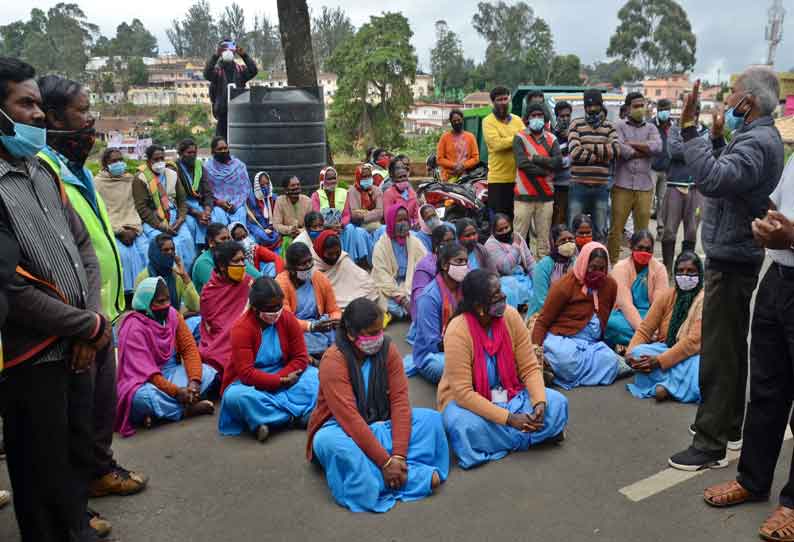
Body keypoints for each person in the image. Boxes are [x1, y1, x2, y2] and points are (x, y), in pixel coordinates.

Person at [0, 57, 111, 541]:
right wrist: (83, 326)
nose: (38, 116)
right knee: (41, 476)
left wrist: (90, 322)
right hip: (31, 357)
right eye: (25, 104)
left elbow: (82, 246)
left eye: (40, 105)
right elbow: (10, 287)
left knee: (73, 460)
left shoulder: (40, 173)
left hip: (77, 346)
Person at [38, 74, 148, 514]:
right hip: (78, 318)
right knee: (74, 414)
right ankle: (74, 502)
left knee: (101, 403)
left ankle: (100, 471)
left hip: (103, 312)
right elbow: (52, 255)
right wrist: (84, 321)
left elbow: (91, 241)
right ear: (52, 118)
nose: (91, 121)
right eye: (82, 111)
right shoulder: (43, 172)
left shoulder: (77, 171)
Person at [668, 68, 785, 470]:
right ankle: (729, 425)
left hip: (733, 258)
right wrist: (716, 138)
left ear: (749, 102)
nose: (729, 100)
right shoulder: (754, 138)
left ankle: (710, 442)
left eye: (734, 94)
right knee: (732, 347)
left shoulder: (757, 142)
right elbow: (730, 173)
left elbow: (715, 179)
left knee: (718, 352)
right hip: (735, 252)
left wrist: (689, 129)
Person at [702, 155, 794, 539]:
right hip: (779, 277)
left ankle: (792, 504)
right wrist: (768, 225)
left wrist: (791, 237)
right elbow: (779, 205)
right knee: (767, 390)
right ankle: (753, 480)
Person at [308, 297, 448, 512]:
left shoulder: (387, 349)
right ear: (351, 333)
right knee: (333, 444)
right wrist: (385, 462)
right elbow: (350, 419)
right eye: (371, 334)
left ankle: (393, 469)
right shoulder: (333, 361)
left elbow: (400, 402)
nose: (377, 338)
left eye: (379, 331)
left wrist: (398, 455)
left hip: (380, 422)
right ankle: (404, 477)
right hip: (341, 429)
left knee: (431, 420)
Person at [438, 270, 568, 469]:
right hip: (471, 405)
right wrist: (509, 419)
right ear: (479, 307)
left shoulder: (511, 316)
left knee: (557, 403)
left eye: (501, 291)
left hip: (512, 394)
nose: (503, 297)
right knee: (461, 426)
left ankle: (504, 440)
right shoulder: (457, 331)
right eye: (495, 296)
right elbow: (463, 394)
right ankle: (532, 436)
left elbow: (530, 367)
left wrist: (539, 403)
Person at [219, 277, 319, 442]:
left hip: (287, 374)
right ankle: (294, 417)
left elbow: (300, 357)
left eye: (279, 306)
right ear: (255, 308)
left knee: (315, 376)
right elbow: (246, 374)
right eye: (270, 308)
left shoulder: (286, 318)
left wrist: (285, 377)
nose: (276, 311)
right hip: (251, 384)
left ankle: (268, 419)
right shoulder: (241, 329)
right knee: (235, 397)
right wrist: (279, 381)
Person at [115, 277, 217, 437]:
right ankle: (185, 410)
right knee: (141, 398)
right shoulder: (133, 328)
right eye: (160, 301)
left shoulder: (172, 315)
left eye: (167, 300)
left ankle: (158, 414)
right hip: (143, 381)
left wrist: (194, 382)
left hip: (170, 373)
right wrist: (177, 392)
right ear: (146, 303)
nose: (165, 306)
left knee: (208, 373)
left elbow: (189, 349)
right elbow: (148, 373)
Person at [532, 242, 627, 389]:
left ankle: (558, 373)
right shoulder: (563, 286)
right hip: (563, 339)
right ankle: (556, 369)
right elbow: (543, 321)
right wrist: (535, 353)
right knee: (567, 358)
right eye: (593, 268)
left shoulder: (610, 285)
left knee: (610, 360)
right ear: (583, 264)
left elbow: (604, 317)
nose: (597, 272)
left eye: (602, 269)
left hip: (591, 344)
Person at [625, 251, 704, 403]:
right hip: (666, 348)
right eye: (680, 271)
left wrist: (660, 361)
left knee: (700, 366)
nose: (685, 275)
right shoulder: (667, 296)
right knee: (638, 353)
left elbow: (693, 343)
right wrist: (629, 354)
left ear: (699, 274)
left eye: (691, 272)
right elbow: (645, 329)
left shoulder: (704, 300)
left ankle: (666, 386)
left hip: (692, 355)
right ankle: (672, 386)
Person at [608, 92, 662, 263]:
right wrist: (644, 150)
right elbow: (622, 151)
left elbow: (658, 147)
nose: (640, 109)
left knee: (642, 231)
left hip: (645, 187)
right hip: (622, 185)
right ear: (628, 108)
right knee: (616, 228)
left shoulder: (652, 128)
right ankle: (613, 263)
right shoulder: (618, 126)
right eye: (636, 106)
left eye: (642, 105)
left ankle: (639, 263)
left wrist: (632, 145)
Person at [406, 242, 468, 383]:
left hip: (462, 343)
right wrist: (466, 347)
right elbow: (433, 343)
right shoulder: (429, 297)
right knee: (449, 367)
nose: (464, 266)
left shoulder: (464, 287)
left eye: (465, 261)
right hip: (433, 354)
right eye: (459, 261)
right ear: (445, 265)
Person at [660, 100, 709, 274]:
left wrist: (688, 149)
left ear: (697, 112)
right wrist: (695, 149)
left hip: (696, 188)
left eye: (693, 110)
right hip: (675, 186)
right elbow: (673, 151)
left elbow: (707, 152)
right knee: (669, 232)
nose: (689, 113)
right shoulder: (674, 129)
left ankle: (686, 271)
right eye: (686, 110)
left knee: (691, 232)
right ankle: (666, 270)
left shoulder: (705, 130)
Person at [132, 143, 197, 272]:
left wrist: (180, 219)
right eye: (156, 160)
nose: (160, 162)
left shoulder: (172, 174)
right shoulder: (141, 178)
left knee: (187, 241)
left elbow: (182, 200)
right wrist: (162, 226)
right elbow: (142, 209)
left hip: (174, 217)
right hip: (154, 220)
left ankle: (188, 277)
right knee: (172, 246)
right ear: (148, 161)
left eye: (162, 158)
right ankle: (171, 278)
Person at [95, 148, 149, 299]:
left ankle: (148, 292)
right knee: (124, 255)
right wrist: (118, 231)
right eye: (114, 161)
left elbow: (136, 207)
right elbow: (99, 213)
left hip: (134, 226)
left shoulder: (131, 180)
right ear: (105, 164)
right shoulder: (97, 183)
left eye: (120, 160)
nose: (119, 163)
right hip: (112, 229)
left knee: (145, 251)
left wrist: (133, 229)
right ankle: (128, 296)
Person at [567, 89, 618, 243]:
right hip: (578, 186)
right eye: (588, 106)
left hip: (601, 187)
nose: (592, 109)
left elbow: (615, 150)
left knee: (600, 231)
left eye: (595, 105)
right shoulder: (575, 124)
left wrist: (587, 146)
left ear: (601, 105)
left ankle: (598, 261)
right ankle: (573, 262)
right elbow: (575, 152)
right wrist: (602, 154)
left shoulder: (609, 126)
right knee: (573, 229)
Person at [198, 241, 254, 380]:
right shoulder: (209, 292)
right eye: (236, 261)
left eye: (243, 260)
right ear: (222, 266)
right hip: (221, 342)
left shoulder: (248, 283)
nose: (242, 264)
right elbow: (215, 327)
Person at [276, 242, 341, 359]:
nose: (309, 266)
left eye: (310, 261)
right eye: (303, 264)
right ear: (291, 268)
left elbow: (333, 309)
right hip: (297, 329)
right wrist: (311, 326)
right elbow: (286, 320)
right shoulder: (281, 284)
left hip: (321, 325)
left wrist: (335, 320)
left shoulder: (318, 278)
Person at [512, 102, 562, 258]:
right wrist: (546, 171)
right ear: (527, 118)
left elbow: (558, 162)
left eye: (540, 115)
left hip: (546, 197)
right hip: (523, 196)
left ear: (545, 117)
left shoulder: (552, 139)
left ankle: (541, 271)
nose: (536, 118)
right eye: (533, 115)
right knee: (519, 238)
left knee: (543, 239)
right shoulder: (519, 137)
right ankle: (517, 268)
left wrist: (534, 158)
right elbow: (522, 163)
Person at [605, 230, 669, 348]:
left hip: (650, 315)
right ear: (631, 247)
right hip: (623, 315)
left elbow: (660, 304)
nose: (644, 252)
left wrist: (653, 327)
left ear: (653, 250)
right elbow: (625, 305)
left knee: (669, 325)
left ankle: (640, 344)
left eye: (648, 249)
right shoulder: (620, 268)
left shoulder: (659, 268)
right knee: (610, 324)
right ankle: (650, 343)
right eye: (640, 248)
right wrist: (645, 332)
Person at [372, 205, 428, 321]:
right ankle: (402, 312)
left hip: (409, 283)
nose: (404, 223)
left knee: (424, 295)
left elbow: (425, 264)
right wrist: (403, 300)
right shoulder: (381, 246)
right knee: (380, 299)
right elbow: (383, 277)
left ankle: (403, 312)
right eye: (399, 220)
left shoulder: (414, 241)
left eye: (405, 219)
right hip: (389, 287)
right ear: (391, 222)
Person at [311, 166, 372, 263]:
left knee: (351, 228)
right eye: (329, 178)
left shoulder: (343, 193)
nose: (332, 181)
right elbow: (317, 217)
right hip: (324, 228)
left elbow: (347, 215)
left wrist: (341, 225)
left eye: (334, 178)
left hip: (340, 227)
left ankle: (349, 261)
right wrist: (329, 226)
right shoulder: (316, 195)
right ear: (323, 180)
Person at [483, 86, 525, 218]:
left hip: (519, 179)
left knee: (518, 218)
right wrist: (517, 138)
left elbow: (526, 141)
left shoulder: (518, 120)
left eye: (505, 99)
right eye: (499, 100)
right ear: (493, 102)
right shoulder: (488, 121)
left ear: (509, 100)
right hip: (498, 180)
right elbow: (496, 144)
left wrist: (511, 140)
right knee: (500, 220)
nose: (502, 102)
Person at [136, 234, 200, 320]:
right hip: (151, 325)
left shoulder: (176, 274)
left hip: (175, 323)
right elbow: (140, 313)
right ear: (155, 253)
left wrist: (185, 277)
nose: (170, 253)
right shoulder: (144, 277)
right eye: (165, 250)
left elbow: (196, 307)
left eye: (172, 249)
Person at [312, 230, 380, 310]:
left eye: (337, 252)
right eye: (330, 254)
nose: (334, 257)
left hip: (352, 296)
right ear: (320, 251)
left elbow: (362, 277)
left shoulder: (342, 258)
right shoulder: (312, 265)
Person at [203, 39, 258, 138]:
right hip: (223, 114)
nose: (228, 51)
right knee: (221, 141)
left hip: (239, 112)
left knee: (239, 140)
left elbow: (253, 70)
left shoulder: (240, 70)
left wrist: (244, 55)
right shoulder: (217, 72)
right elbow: (207, 74)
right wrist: (215, 56)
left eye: (230, 48)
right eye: (224, 48)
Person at [192, 222, 261, 294]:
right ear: (211, 242)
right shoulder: (203, 263)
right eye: (223, 239)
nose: (227, 242)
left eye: (228, 238)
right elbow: (221, 291)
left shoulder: (235, 256)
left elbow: (258, 277)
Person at [485, 213, 534, 311]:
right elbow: (505, 267)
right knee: (511, 287)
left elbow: (530, 262)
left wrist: (537, 279)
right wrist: (515, 246)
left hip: (523, 277)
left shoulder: (517, 237)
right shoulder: (490, 245)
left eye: (506, 228)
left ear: (511, 225)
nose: (504, 231)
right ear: (493, 231)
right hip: (505, 280)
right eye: (500, 230)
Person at [529, 225, 578, 316]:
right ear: (554, 243)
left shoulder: (577, 263)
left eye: (571, 239)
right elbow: (541, 300)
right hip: (544, 313)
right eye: (563, 241)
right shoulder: (543, 266)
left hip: (571, 312)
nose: (568, 243)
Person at [174, 138, 214, 249]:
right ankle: (197, 252)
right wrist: (196, 213)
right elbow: (176, 199)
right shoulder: (175, 169)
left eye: (194, 153)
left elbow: (208, 192)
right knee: (191, 224)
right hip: (183, 207)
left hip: (200, 204)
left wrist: (207, 210)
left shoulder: (199, 167)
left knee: (215, 217)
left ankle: (211, 248)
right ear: (181, 154)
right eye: (189, 153)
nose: (192, 155)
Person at [410, 225, 456, 321]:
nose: (451, 245)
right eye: (447, 241)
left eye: (453, 240)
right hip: (432, 312)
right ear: (436, 245)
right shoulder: (425, 267)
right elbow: (420, 299)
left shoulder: (458, 260)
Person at [205, 136, 250, 227]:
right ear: (213, 151)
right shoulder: (207, 168)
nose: (223, 151)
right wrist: (218, 202)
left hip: (238, 205)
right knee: (218, 217)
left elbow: (245, 189)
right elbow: (205, 192)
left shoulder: (239, 166)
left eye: (225, 148)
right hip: (217, 205)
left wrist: (235, 204)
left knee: (240, 216)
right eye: (220, 149)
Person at [342, 163, 385, 238]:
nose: (367, 179)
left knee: (380, 229)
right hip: (358, 225)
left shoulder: (377, 190)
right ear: (359, 177)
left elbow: (380, 212)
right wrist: (372, 213)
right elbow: (354, 214)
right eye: (364, 177)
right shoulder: (352, 191)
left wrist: (364, 213)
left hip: (375, 222)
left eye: (369, 176)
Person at [436, 109, 479, 181]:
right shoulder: (444, 137)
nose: (457, 122)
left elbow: (475, 158)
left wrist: (463, 166)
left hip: (467, 177)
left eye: (459, 120)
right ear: (451, 122)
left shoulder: (470, 137)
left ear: (462, 119)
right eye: (454, 121)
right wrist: (454, 166)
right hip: (448, 177)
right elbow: (439, 159)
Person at [272, 175, 312, 252]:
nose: (296, 187)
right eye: (293, 185)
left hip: (304, 235)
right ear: (286, 189)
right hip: (286, 236)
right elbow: (276, 225)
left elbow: (310, 225)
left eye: (298, 185)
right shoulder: (280, 201)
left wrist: (300, 231)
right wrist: (289, 230)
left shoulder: (307, 201)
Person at [651, 98, 673, 230]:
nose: (664, 112)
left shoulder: (672, 126)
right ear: (658, 110)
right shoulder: (651, 125)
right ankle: (644, 230)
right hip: (652, 169)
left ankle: (660, 227)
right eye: (662, 110)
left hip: (666, 170)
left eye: (667, 110)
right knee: (648, 200)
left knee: (663, 201)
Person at [245, 170, 281, 249]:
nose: (265, 187)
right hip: (258, 227)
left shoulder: (274, 197)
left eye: (267, 184)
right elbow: (251, 221)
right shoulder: (251, 199)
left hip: (272, 226)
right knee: (261, 236)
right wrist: (263, 229)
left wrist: (272, 227)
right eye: (262, 185)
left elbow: (278, 215)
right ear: (257, 186)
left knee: (277, 234)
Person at [552, 101, 573, 226]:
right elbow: (556, 161)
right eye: (562, 116)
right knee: (558, 218)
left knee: (572, 218)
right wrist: (569, 159)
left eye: (568, 116)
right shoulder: (551, 136)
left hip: (574, 184)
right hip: (558, 185)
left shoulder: (575, 134)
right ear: (556, 117)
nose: (565, 119)